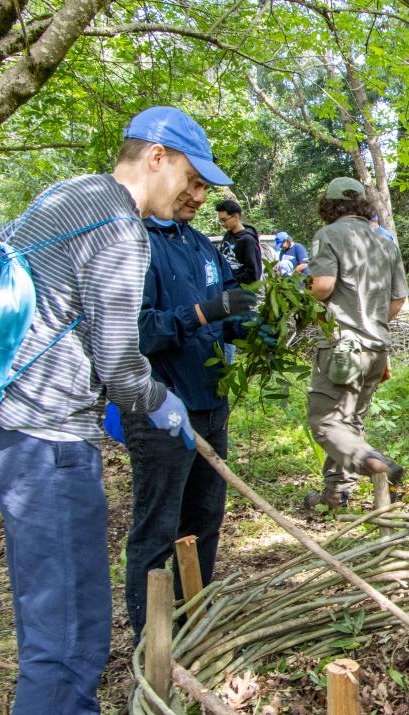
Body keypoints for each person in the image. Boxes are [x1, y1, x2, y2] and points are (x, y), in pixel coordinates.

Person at [0, 106, 222, 715]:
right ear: (156, 156)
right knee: (70, 632)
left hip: (15, 417)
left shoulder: (75, 192)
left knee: (64, 616)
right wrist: (159, 399)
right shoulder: (118, 225)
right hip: (46, 435)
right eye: (191, 177)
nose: (196, 193)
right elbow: (119, 360)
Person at [122, 160, 261, 644]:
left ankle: (194, 616)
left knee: (205, 517)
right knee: (158, 525)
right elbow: (132, 333)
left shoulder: (202, 244)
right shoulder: (135, 243)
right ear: (161, 169)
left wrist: (255, 323)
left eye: (206, 188)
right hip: (160, 406)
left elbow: (227, 305)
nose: (200, 198)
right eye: (194, 184)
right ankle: (151, 638)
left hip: (209, 401)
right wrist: (201, 312)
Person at [304, 177, 409, 509]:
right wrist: (373, 324)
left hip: (343, 349)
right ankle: (335, 495)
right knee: (349, 424)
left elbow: (322, 286)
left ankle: (379, 465)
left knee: (326, 423)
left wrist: (300, 295)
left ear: (329, 205)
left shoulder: (328, 235)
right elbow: (398, 299)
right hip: (377, 349)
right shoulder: (385, 242)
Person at [215, 198, 262, 284]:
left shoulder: (248, 240)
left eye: (224, 220)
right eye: (220, 221)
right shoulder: (228, 235)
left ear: (236, 216)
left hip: (239, 291)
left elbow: (253, 273)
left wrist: (232, 282)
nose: (222, 224)